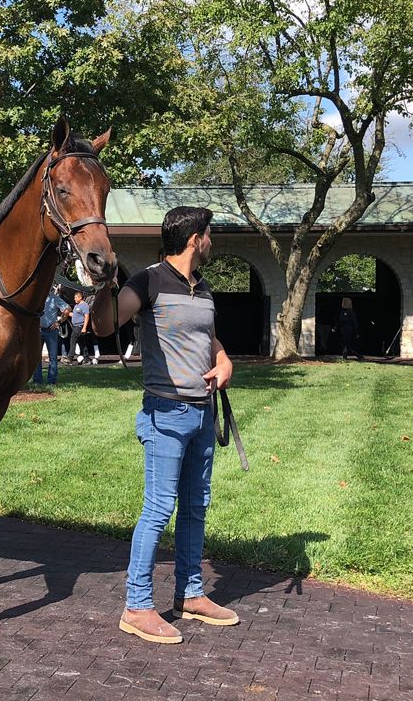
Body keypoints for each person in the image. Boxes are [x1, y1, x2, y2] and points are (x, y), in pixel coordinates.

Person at [90, 205, 237, 645]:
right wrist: (103, 287)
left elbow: (207, 339)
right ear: (195, 238)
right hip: (166, 413)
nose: (211, 241)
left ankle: (191, 595)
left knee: (195, 506)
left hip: (203, 413)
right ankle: (137, 605)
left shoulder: (202, 287)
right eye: (209, 234)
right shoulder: (148, 281)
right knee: (158, 509)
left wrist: (224, 361)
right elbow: (102, 325)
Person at [31, 284, 70, 385]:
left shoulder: (54, 298)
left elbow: (67, 309)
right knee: (36, 357)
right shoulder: (36, 298)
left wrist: (59, 322)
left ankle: (52, 381)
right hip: (38, 330)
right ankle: (37, 380)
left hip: (51, 331)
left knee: (52, 356)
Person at [70, 290, 96, 365]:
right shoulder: (76, 306)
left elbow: (86, 316)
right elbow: (74, 315)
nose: (74, 299)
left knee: (73, 340)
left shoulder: (84, 305)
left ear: (80, 297)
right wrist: (67, 313)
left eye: (75, 297)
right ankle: (86, 358)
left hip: (79, 326)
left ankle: (70, 357)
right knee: (82, 343)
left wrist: (84, 327)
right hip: (75, 326)